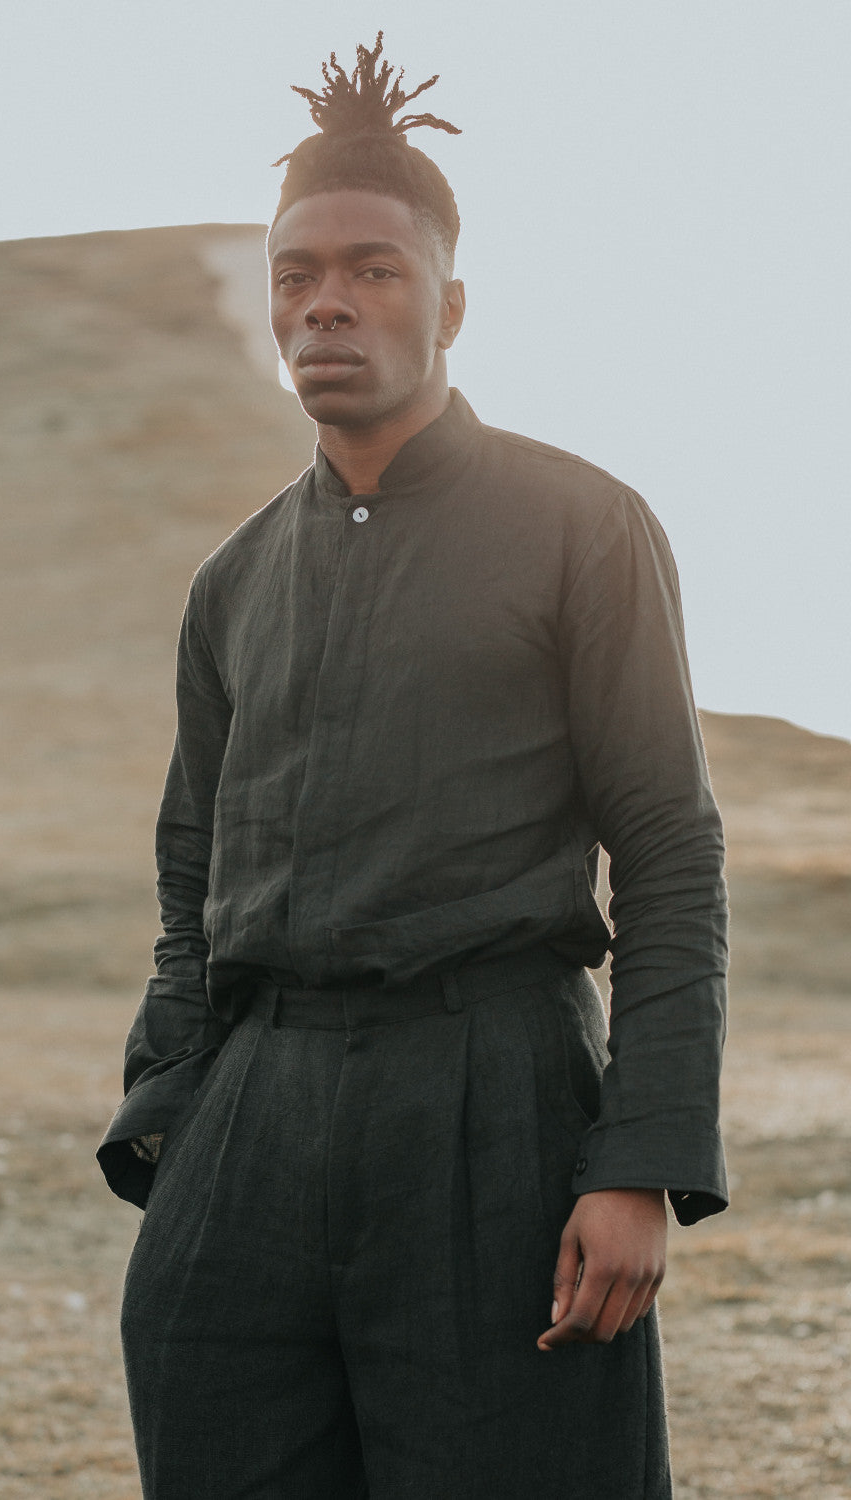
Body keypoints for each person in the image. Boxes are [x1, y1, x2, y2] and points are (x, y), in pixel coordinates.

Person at [98, 34, 728, 1500]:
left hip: (492, 1103)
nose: (329, 301)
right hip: (249, 1124)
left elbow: (671, 848)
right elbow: (190, 871)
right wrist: (172, 1118)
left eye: (375, 270)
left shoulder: (585, 527)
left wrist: (638, 1160)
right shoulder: (234, 580)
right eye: (297, 274)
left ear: (451, 302)